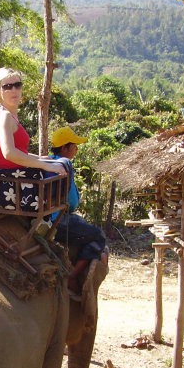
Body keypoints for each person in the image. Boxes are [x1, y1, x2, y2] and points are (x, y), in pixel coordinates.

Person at [0, 67, 66, 210]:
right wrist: (46, 165)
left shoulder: (9, 114)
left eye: (17, 85)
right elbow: (9, 153)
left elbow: (18, 151)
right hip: (12, 183)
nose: (13, 90)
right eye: (7, 86)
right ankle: (51, 218)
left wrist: (40, 159)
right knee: (62, 166)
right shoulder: (4, 116)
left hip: (18, 177)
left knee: (62, 162)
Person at [49, 126, 107, 294]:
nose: (76, 148)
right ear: (64, 148)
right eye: (74, 145)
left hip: (54, 216)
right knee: (98, 236)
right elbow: (71, 201)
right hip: (59, 219)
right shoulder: (64, 165)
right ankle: (72, 276)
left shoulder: (49, 161)